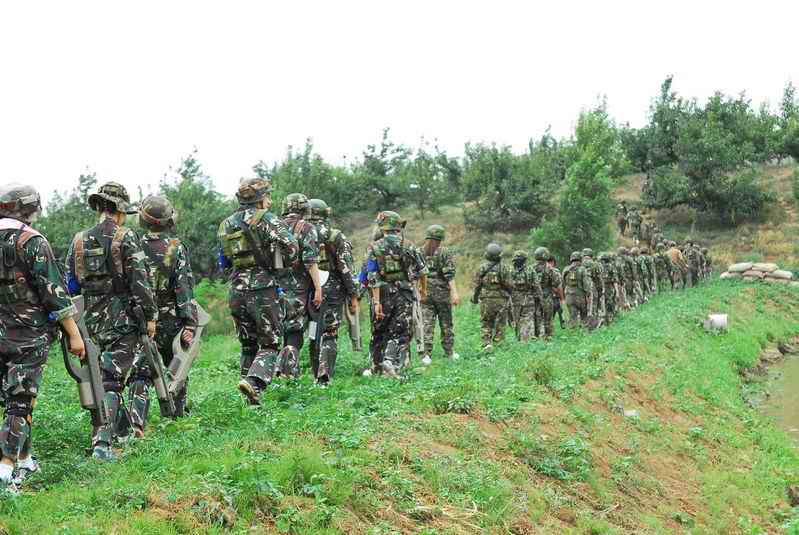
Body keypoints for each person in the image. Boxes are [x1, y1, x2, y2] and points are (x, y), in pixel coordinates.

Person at [0, 184, 84, 491]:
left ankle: (25, 459)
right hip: (28, 336)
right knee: (20, 401)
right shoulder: (31, 241)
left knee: (15, 398)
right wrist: (74, 335)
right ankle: (5, 471)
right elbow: (55, 295)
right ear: (28, 208)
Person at [66, 181, 157, 460]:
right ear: (119, 210)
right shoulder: (126, 237)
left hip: (90, 322)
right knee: (112, 381)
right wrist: (150, 316)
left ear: (99, 207)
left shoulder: (78, 240)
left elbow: (71, 284)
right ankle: (102, 444)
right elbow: (140, 281)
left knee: (103, 375)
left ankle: (125, 433)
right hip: (123, 319)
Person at [218, 178, 298, 405]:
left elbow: (223, 262)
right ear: (261, 199)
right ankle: (254, 382)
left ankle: (250, 400)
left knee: (248, 345)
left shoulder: (225, 224)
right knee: (270, 343)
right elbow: (292, 247)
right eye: (268, 196)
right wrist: (280, 264)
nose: (270, 200)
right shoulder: (268, 219)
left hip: (236, 290)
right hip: (263, 290)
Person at [127, 196, 198, 431]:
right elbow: (184, 288)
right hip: (171, 320)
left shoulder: (134, 245)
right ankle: (176, 418)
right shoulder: (175, 248)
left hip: (141, 320)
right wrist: (190, 323)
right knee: (177, 367)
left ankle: (136, 423)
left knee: (140, 372)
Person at [366, 211, 427, 376]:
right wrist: (423, 290)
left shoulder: (374, 247)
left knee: (379, 330)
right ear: (398, 226)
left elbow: (372, 277)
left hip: (383, 295)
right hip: (404, 295)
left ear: (382, 227)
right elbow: (423, 271)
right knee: (400, 331)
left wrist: (376, 302)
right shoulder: (409, 245)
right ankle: (392, 362)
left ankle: (376, 368)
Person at [306, 199, 358, 386]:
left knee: (313, 331)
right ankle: (324, 376)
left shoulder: (300, 233)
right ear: (325, 214)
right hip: (332, 290)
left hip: (308, 290)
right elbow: (346, 269)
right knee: (330, 331)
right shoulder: (335, 236)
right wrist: (353, 294)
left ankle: (314, 374)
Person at [280, 193, 322, 375]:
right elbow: (310, 262)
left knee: (282, 330)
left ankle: (279, 371)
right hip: (298, 288)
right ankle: (288, 373)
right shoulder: (306, 227)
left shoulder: (274, 226)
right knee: (295, 332)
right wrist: (318, 288)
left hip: (274, 287)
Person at [420, 225, 460, 364]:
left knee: (426, 324)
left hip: (424, 293)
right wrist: (454, 293)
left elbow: (413, 274)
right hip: (442, 294)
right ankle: (449, 352)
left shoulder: (419, 252)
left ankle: (426, 355)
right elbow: (449, 275)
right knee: (446, 323)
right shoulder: (444, 253)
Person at [472, 243, 511, 351]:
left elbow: (477, 285)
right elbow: (509, 285)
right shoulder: (504, 268)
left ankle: (486, 343)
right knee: (501, 323)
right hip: (501, 299)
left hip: (486, 299)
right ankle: (499, 343)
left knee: (486, 322)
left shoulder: (482, 268)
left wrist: (474, 298)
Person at [509, 250, 542, 342]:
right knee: (527, 320)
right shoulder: (530, 270)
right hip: (528, 298)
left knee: (516, 320)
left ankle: (519, 340)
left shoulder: (510, 271)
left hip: (515, 299)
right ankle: (526, 340)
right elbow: (537, 286)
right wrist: (540, 298)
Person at [533, 247, 561, 339]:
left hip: (534, 297)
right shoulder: (549, 268)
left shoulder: (531, 268)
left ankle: (536, 336)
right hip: (546, 296)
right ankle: (548, 336)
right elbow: (556, 283)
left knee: (536, 317)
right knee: (548, 318)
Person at [562, 252, 593, 328]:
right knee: (584, 317)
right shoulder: (582, 269)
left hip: (569, 296)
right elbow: (586, 285)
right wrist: (588, 294)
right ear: (580, 259)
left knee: (573, 317)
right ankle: (583, 331)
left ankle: (573, 331)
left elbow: (562, 283)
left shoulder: (566, 269)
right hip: (580, 296)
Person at [581, 248, 603, 329]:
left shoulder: (579, 264)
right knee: (593, 308)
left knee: (582, 309)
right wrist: (600, 290)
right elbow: (598, 279)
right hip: (592, 288)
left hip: (580, 289)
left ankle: (582, 326)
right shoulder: (595, 264)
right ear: (591, 255)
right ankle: (592, 328)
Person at [598, 252, 619, 324]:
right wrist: (617, 292)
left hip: (600, 288)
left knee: (602, 304)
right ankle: (610, 320)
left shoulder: (599, 267)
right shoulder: (611, 267)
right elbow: (615, 280)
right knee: (610, 304)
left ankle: (603, 319)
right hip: (609, 287)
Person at [547, 254, 565, 330]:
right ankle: (563, 326)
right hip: (554, 297)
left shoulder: (538, 269)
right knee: (560, 312)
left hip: (543, 296)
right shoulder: (555, 271)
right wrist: (562, 298)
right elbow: (559, 286)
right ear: (553, 262)